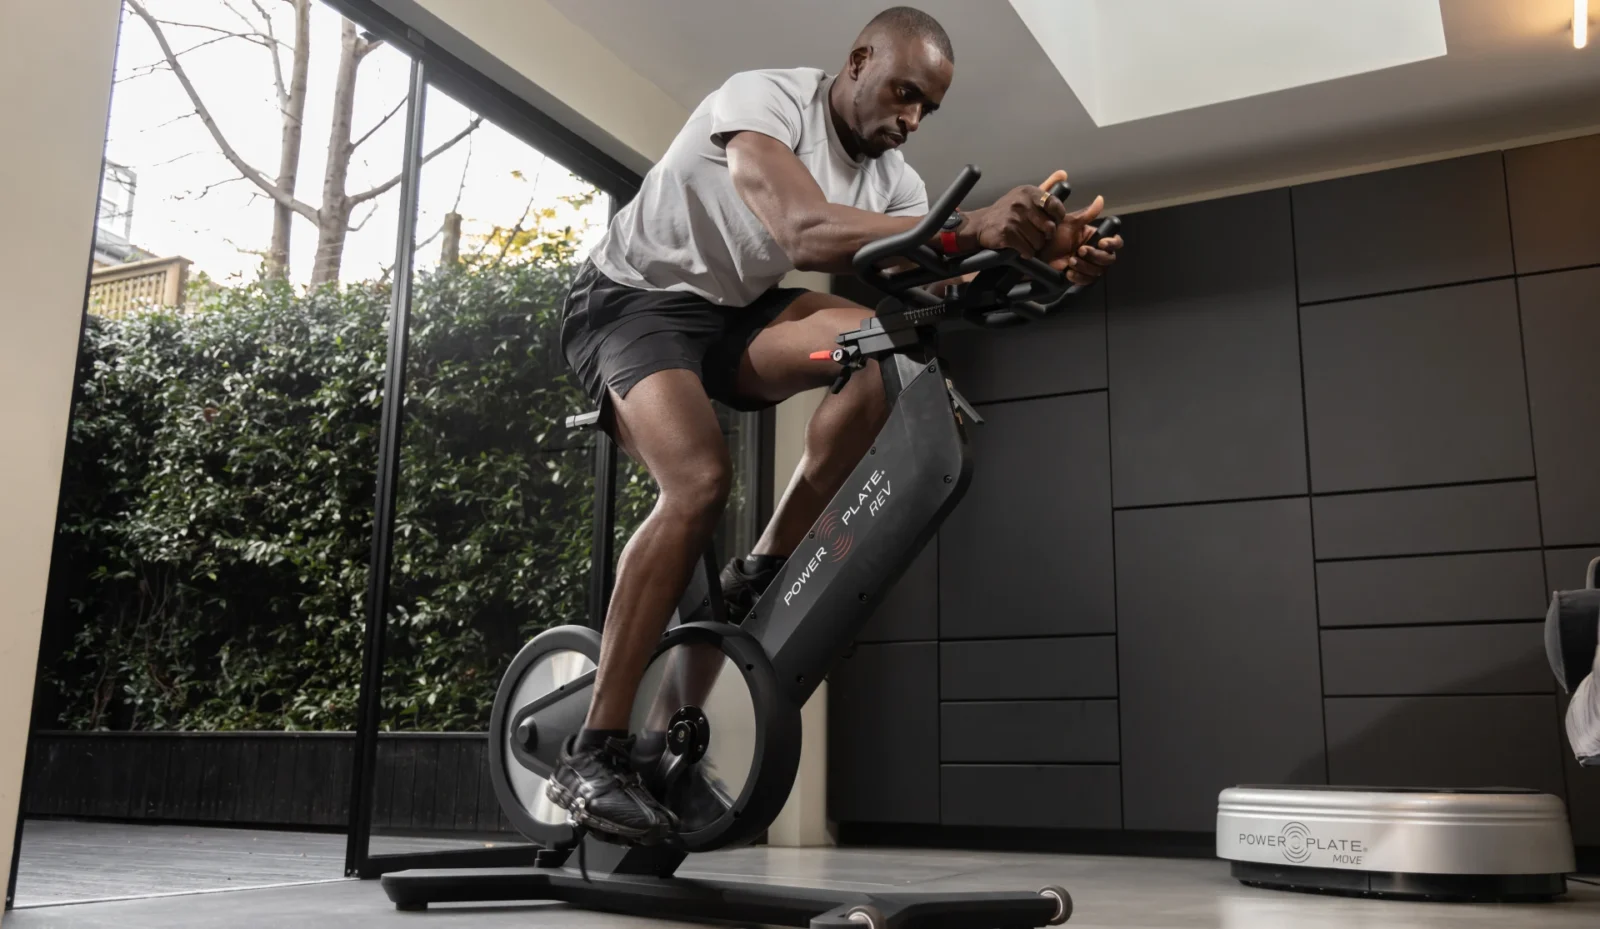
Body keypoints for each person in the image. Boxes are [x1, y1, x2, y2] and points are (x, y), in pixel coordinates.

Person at [545, 6, 1124, 843]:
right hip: (632, 302)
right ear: (857, 62)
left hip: (735, 315)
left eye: (927, 108)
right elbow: (804, 228)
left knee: (880, 346)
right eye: (903, 92)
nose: (911, 119)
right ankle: (590, 751)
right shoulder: (765, 100)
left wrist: (1037, 257)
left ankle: (763, 563)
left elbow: (931, 293)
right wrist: (971, 226)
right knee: (700, 481)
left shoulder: (898, 186)